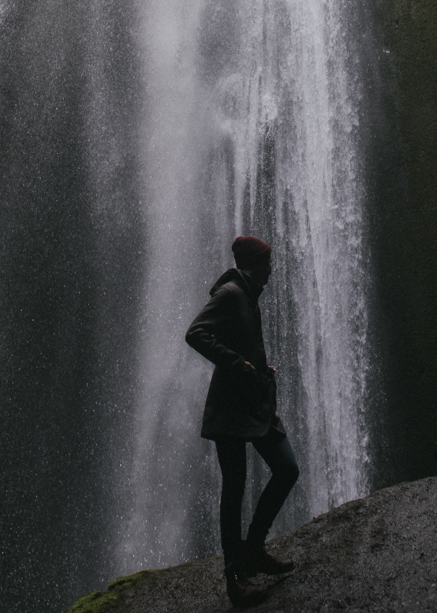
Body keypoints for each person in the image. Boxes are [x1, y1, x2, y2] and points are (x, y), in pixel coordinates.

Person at [186, 235, 300, 605]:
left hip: (252, 402)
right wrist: (237, 363)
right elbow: (195, 333)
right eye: (267, 262)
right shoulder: (232, 293)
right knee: (234, 487)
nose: (272, 268)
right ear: (256, 264)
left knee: (286, 468)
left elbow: (238, 338)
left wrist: (256, 364)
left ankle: (253, 547)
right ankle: (235, 576)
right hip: (231, 407)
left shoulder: (248, 295)